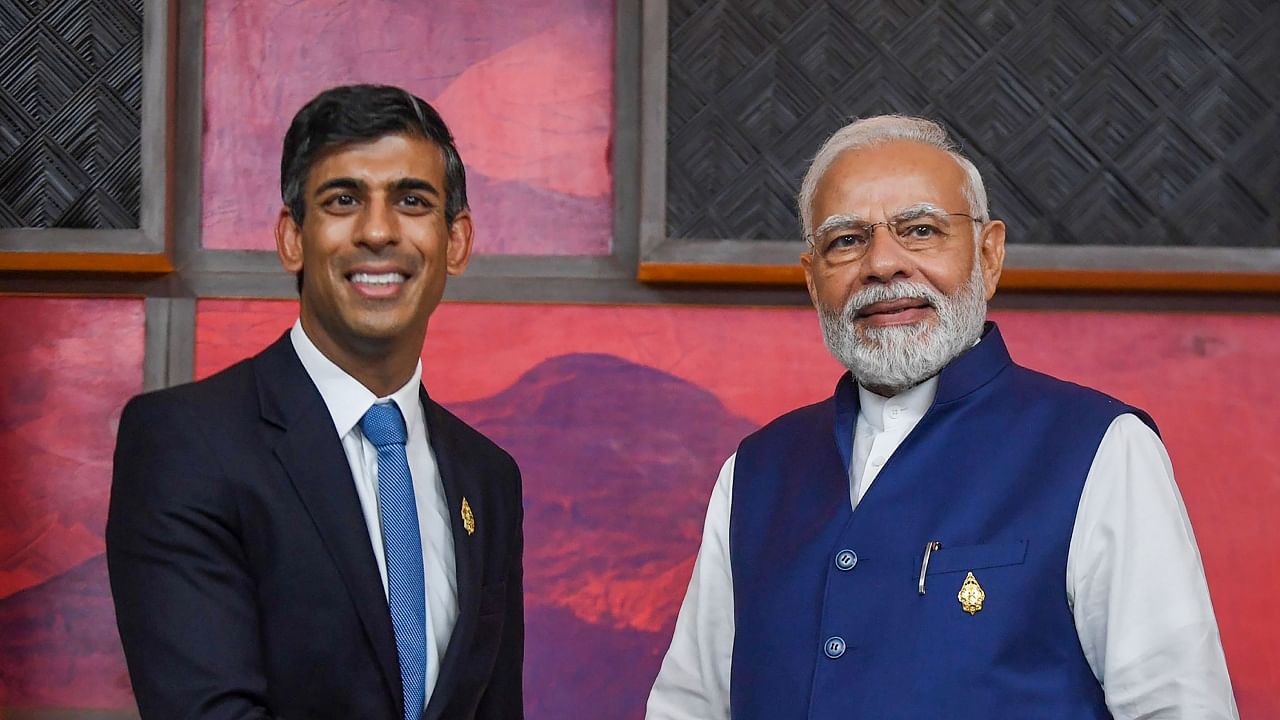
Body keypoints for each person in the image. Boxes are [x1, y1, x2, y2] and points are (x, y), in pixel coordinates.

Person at [646, 115, 1237, 719]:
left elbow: (1179, 705)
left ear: (989, 254)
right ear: (812, 279)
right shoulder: (757, 471)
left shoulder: (1099, 448)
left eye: (920, 230)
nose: (882, 265)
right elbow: (689, 707)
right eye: (846, 241)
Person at [107, 84, 523, 720]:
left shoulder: (488, 477)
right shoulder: (186, 443)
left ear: (456, 242)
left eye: (412, 200)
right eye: (343, 200)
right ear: (292, 237)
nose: (379, 231)